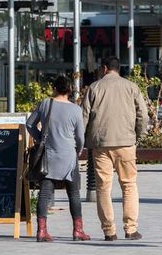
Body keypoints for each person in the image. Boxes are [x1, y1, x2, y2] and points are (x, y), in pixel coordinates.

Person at [82, 56, 149, 240]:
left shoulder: (94, 88)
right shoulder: (131, 87)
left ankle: (109, 231)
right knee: (129, 185)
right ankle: (131, 228)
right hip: (126, 142)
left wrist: (81, 141)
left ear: (104, 68)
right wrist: (139, 135)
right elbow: (142, 114)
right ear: (118, 69)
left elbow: (84, 117)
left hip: (101, 144)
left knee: (103, 187)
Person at [26, 76, 89, 243]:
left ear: (54, 87)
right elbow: (80, 137)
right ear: (69, 90)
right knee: (73, 194)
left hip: (49, 156)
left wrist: (40, 139)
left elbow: (29, 124)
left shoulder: (46, 104)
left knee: (45, 193)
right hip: (69, 157)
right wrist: (78, 150)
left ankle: (42, 231)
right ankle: (78, 230)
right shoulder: (75, 110)